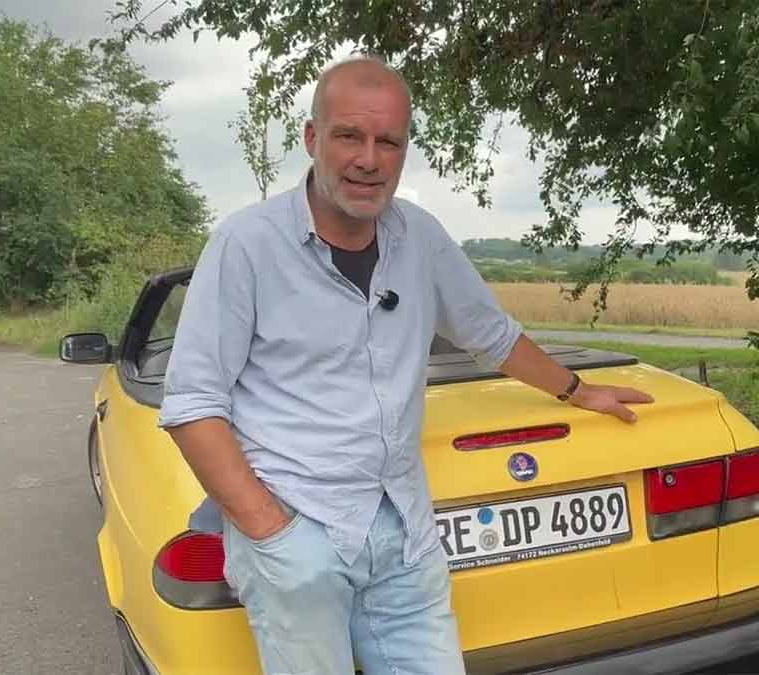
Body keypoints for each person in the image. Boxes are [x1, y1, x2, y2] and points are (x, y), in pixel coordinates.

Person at [158, 55, 653, 675]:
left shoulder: (419, 238)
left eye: (388, 141)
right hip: (298, 528)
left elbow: (491, 335)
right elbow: (193, 403)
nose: (369, 158)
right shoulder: (245, 246)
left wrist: (576, 390)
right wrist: (272, 532)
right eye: (349, 136)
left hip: (404, 530)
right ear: (313, 139)